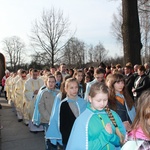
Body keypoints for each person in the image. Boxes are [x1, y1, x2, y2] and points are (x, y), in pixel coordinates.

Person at [66, 82, 126, 150]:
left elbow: (121, 141)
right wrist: (105, 136)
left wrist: (111, 136)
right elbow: (82, 147)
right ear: (90, 99)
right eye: (98, 100)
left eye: (105, 100)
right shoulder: (83, 120)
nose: (102, 104)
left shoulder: (112, 114)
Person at [45, 78, 87, 149]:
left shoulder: (83, 102)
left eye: (76, 87)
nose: (74, 90)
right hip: (68, 136)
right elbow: (59, 122)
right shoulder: (63, 104)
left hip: (81, 135)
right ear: (66, 89)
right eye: (71, 88)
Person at [38, 75, 59, 150]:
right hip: (47, 120)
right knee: (48, 138)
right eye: (49, 81)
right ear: (46, 82)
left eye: (53, 82)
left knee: (55, 137)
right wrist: (49, 118)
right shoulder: (43, 93)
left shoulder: (58, 93)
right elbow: (41, 107)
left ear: (55, 83)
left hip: (56, 120)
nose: (51, 83)